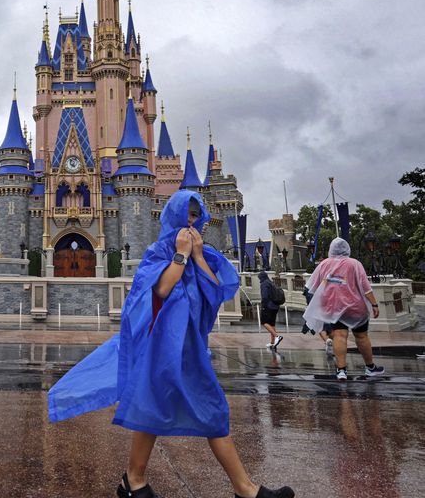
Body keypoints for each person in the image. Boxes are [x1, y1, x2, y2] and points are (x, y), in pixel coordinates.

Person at [48, 191, 295, 498]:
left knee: (204, 409)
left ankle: (238, 488)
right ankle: (137, 480)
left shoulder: (202, 254)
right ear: (174, 215)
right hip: (160, 348)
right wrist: (180, 254)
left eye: (196, 216)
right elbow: (162, 289)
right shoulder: (159, 251)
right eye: (188, 215)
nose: (193, 222)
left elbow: (216, 292)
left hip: (189, 348)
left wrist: (200, 256)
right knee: (157, 408)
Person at [303, 237, 385, 381]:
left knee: (339, 336)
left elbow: (312, 286)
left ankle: (341, 371)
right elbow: (366, 287)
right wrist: (374, 304)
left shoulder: (324, 264)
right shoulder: (355, 264)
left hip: (334, 308)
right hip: (355, 308)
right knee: (362, 336)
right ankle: (370, 367)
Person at [258, 271, 283, 350]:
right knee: (272, 324)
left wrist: (263, 306)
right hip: (275, 306)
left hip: (268, 306)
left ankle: (277, 336)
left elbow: (264, 296)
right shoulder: (271, 283)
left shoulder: (264, 284)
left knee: (264, 322)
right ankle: (272, 343)